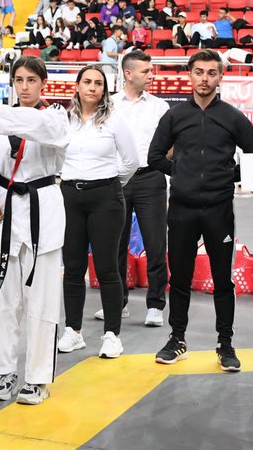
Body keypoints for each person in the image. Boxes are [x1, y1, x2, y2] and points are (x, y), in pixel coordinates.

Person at [147, 49, 253, 371]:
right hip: (181, 208)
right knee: (179, 276)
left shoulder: (233, 117)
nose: (205, 79)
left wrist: (225, 176)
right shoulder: (174, 116)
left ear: (221, 76)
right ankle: (177, 338)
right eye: (199, 72)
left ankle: (225, 343)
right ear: (190, 75)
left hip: (219, 209)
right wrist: (181, 174)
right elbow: (155, 157)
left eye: (211, 73)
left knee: (223, 279)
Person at [0, 57, 69, 406]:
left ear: (44, 84)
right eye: (18, 80)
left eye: (30, 80)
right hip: (5, 212)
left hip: (42, 210)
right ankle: (4, 370)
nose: (24, 86)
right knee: (2, 300)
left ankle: (38, 377)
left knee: (41, 301)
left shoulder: (55, 116)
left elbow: (44, 130)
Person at [55, 66, 140, 359]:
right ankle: (73, 331)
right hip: (70, 197)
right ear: (77, 86)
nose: (92, 87)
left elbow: (131, 161)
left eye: (98, 83)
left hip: (106, 197)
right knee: (73, 267)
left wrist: (108, 183)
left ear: (105, 89)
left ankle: (112, 335)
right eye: (87, 82)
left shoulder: (115, 121)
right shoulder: (64, 120)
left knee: (106, 268)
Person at [109, 51, 171, 327]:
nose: (151, 75)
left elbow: (172, 144)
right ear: (128, 73)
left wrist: (158, 163)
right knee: (115, 243)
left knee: (155, 243)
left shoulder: (159, 106)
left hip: (150, 178)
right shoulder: (109, 105)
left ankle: (156, 304)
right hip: (117, 179)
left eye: (151, 70)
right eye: (145, 71)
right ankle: (117, 302)